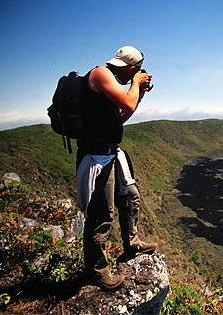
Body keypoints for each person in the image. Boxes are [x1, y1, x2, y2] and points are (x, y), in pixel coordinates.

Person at [76, 46, 157, 290]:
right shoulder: (101, 74)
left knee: (131, 197)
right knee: (101, 214)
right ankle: (97, 271)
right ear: (132, 68)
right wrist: (136, 84)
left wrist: (139, 93)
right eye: (137, 71)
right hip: (96, 157)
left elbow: (120, 116)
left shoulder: (109, 86)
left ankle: (131, 243)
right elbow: (128, 106)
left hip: (110, 151)